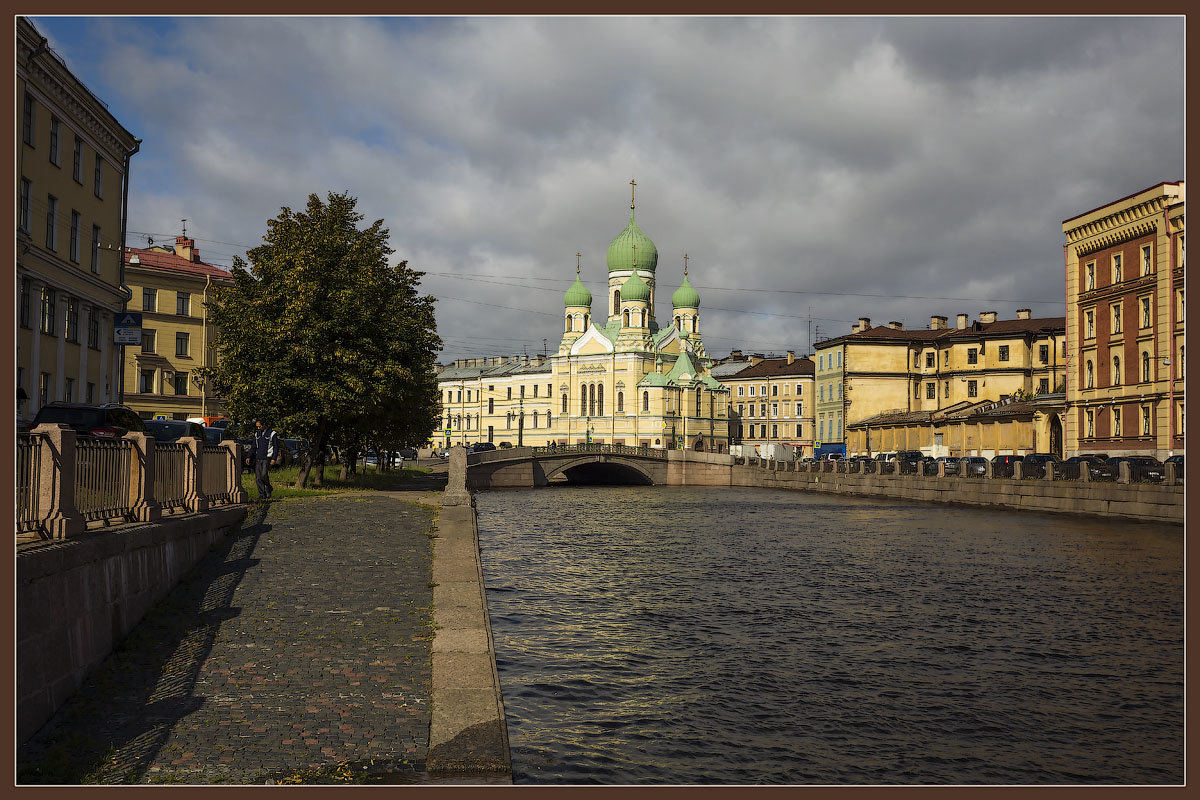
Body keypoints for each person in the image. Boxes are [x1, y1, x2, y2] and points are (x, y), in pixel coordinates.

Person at [246, 418, 280, 500]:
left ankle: (268, 487)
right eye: (257, 427)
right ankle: (261, 494)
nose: (258, 428)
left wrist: (274, 458)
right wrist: (249, 456)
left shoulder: (272, 434)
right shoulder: (257, 434)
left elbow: (276, 447)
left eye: (259, 426)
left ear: (264, 425)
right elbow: (254, 446)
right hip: (258, 457)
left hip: (267, 457)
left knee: (264, 474)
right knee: (258, 478)